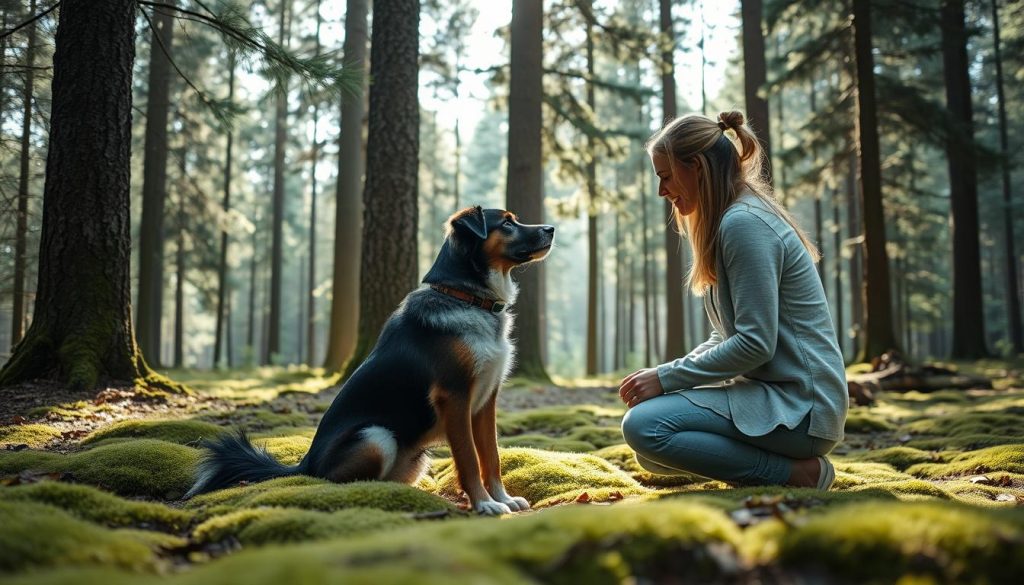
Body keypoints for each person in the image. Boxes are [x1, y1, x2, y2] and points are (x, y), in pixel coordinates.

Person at [618, 111, 848, 489]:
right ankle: (769, 467)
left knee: (647, 427)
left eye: (665, 176)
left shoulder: (744, 224)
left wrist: (666, 379)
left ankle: (797, 475)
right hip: (776, 397)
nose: (662, 191)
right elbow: (725, 335)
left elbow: (755, 344)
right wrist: (670, 378)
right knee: (651, 444)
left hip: (802, 407)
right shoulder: (732, 217)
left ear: (696, 167)